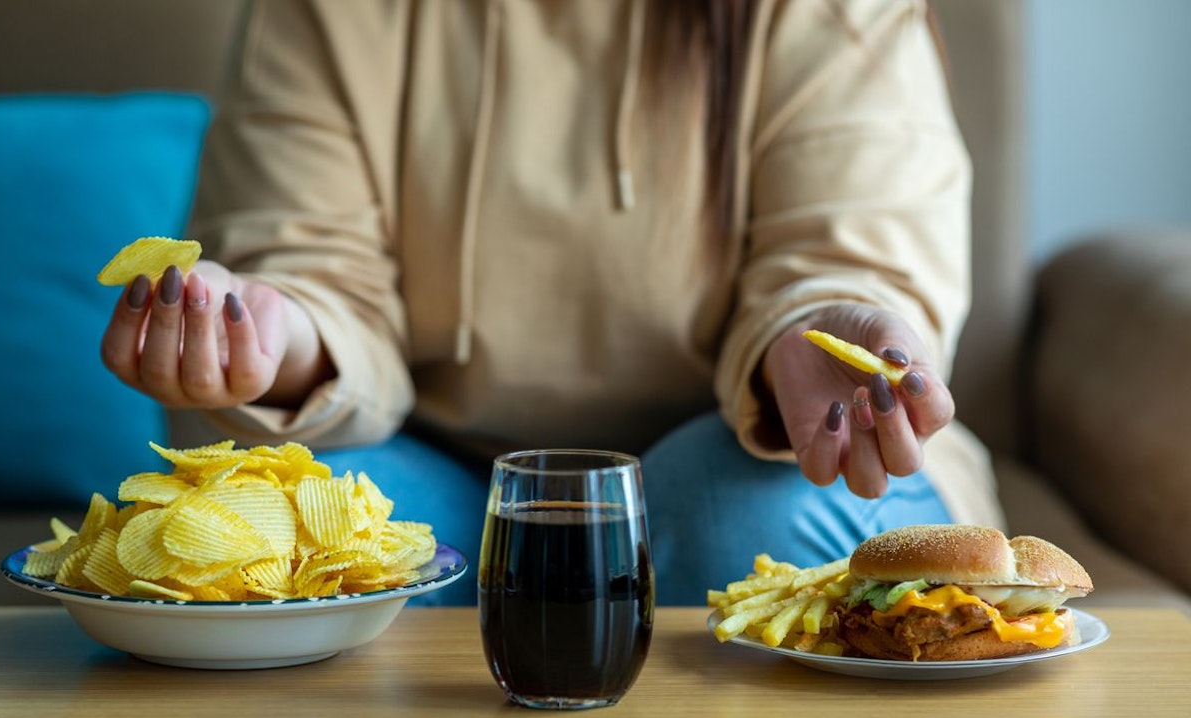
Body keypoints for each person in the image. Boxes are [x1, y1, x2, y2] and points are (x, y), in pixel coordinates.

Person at [99, 0, 1003, 606]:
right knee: (290, 537)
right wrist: (267, 332)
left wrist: (823, 338)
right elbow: (310, 261)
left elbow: (849, 244)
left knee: (741, 516)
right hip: (444, 467)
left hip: (745, 458)